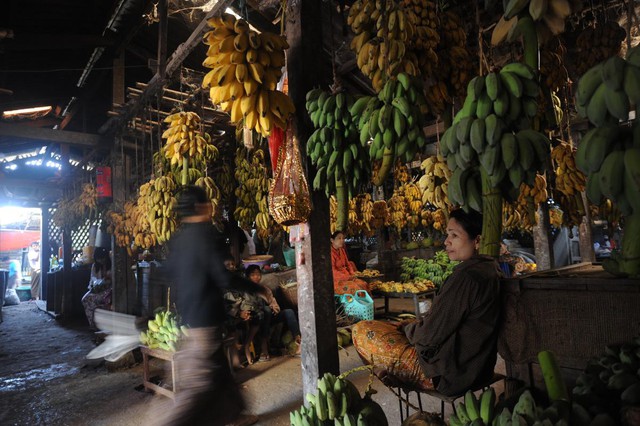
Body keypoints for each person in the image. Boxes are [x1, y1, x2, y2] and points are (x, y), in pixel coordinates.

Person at [351, 209, 502, 396]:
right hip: (479, 368)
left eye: (454, 235)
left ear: (477, 240)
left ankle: (395, 375)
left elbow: (428, 337)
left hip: (450, 374)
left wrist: (410, 329)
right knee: (395, 327)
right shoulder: (490, 268)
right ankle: (393, 372)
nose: (447, 241)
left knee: (362, 329)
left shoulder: (467, 277)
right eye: (447, 234)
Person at [147, 185, 257, 426]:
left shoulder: (180, 240)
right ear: (200, 207)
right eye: (208, 204)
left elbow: (165, 274)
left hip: (192, 316)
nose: (211, 208)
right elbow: (224, 277)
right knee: (198, 389)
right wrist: (257, 288)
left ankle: (235, 414)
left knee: (220, 372)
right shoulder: (206, 236)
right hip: (205, 319)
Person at [245, 265, 301, 358]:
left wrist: (274, 308)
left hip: (269, 317)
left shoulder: (265, 290)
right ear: (248, 277)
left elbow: (275, 305)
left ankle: (299, 342)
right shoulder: (246, 290)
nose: (256, 277)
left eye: (258, 274)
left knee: (289, 312)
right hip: (256, 318)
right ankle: (264, 347)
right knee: (265, 310)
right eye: (253, 275)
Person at [81, 247, 112, 329]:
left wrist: (107, 280)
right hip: (98, 289)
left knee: (95, 301)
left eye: (103, 258)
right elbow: (93, 278)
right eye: (99, 259)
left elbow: (113, 280)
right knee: (85, 299)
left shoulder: (111, 265)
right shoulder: (95, 266)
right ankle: (93, 325)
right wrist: (95, 284)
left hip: (109, 290)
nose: (101, 261)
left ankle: (102, 325)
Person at [330, 230, 368, 295]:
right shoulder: (330, 253)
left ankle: (368, 305)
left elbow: (348, 264)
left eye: (343, 238)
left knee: (363, 284)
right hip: (337, 281)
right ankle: (354, 305)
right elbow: (333, 271)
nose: (342, 240)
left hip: (347, 277)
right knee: (354, 288)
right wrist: (347, 277)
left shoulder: (342, 250)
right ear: (332, 240)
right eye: (339, 238)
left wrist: (352, 274)